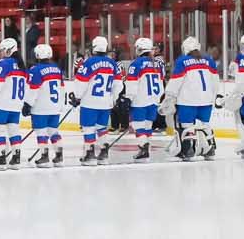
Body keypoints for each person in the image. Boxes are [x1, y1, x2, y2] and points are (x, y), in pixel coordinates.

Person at [74, 36, 121, 164]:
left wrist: (77, 97)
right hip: (106, 102)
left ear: (94, 48)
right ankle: (104, 153)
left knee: (88, 128)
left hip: (90, 102)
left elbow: (81, 82)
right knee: (102, 128)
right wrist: (114, 98)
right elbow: (118, 84)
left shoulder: (89, 62)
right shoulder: (112, 63)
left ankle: (90, 155)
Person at [171, 36, 219, 161]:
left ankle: (188, 150)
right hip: (206, 100)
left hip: (187, 100)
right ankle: (209, 149)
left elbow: (176, 82)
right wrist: (212, 97)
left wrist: (170, 96)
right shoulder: (209, 60)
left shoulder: (182, 61)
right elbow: (215, 82)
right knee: (205, 124)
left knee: (186, 125)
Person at [25, 42, 68, 166]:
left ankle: (44, 157)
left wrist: (28, 104)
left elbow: (33, 89)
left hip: (40, 107)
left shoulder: (35, 70)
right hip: (55, 107)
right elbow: (62, 88)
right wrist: (60, 105)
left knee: (41, 132)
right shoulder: (57, 69)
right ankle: (59, 156)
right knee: (53, 131)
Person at [0, 37, 28, 167]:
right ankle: (16, 158)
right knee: (14, 130)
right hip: (16, 104)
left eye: (2, 50)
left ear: (8, 50)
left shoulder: (3, 63)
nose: (1, 53)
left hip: (2, 104)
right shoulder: (22, 66)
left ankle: (1, 158)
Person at [125, 37, 167, 159]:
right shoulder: (158, 64)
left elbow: (132, 83)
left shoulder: (136, 64)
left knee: (137, 125)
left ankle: (143, 146)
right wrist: (158, 98)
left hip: (140, 100)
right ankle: (145, 147)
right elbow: (161, 82)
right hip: (154, 100)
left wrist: (129, 98)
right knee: (148, 126)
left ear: (139, 49)